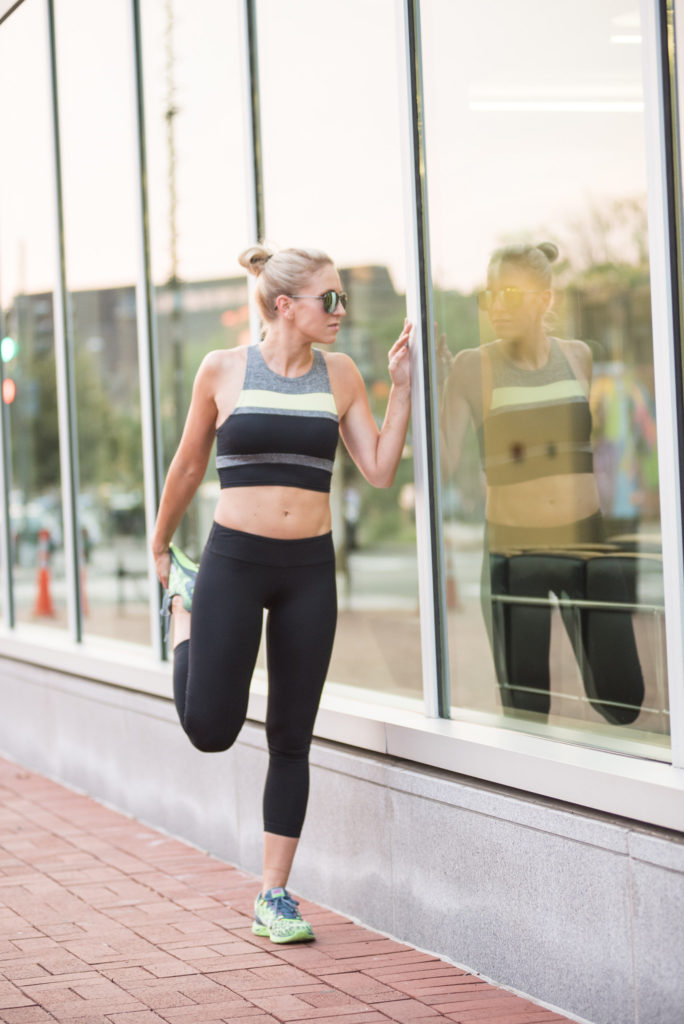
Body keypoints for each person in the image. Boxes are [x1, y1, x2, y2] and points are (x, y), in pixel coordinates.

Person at [151, 244, 412, 943]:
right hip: (233, 563)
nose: (341, 311)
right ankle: (183, 607)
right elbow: (186, 464)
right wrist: (159, 543)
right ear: (285, 305)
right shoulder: (223, 370)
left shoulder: (344, 375)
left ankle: (274, 895)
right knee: (210, 728)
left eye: (342, 298)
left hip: (308, 573)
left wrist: (404, 387)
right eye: (330, 299)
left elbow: (381, 469)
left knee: (291, 736)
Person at [440, 241, 644, 724]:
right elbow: (442, 466)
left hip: (587, 544)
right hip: (515, 553)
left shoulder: (578, 358)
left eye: (511, 292)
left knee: (623, 701)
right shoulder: (472, 367)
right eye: (491, 295)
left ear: (545, 299)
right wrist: (428, 387)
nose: (498, 307)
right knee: (527, 712)